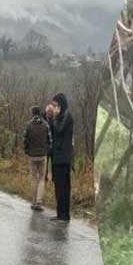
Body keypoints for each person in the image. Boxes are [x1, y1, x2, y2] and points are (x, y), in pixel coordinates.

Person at [49, 93, 74, 222]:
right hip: (58, 157)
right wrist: (53, 117)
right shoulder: (60, 117)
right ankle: (60, 214)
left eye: (56, 105)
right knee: (59, 187)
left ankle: (64, 215)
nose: (54, 108)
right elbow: (53, 131)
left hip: (64, 158)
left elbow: (59, 129)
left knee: (63, 188)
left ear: (61, 105)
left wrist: (55, 117)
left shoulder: (67, 116)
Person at [24, 105, 52, 211]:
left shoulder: (28, 125)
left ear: (32, 113)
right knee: (41, 179)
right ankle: (39, 202)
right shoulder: (45, 125)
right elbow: (50, 140)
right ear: (40, 112)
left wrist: (27, 151)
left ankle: (34, 201)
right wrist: (46, 150)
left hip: (32, 156)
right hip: (42, 155)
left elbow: (25, 140)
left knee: (33, 178)